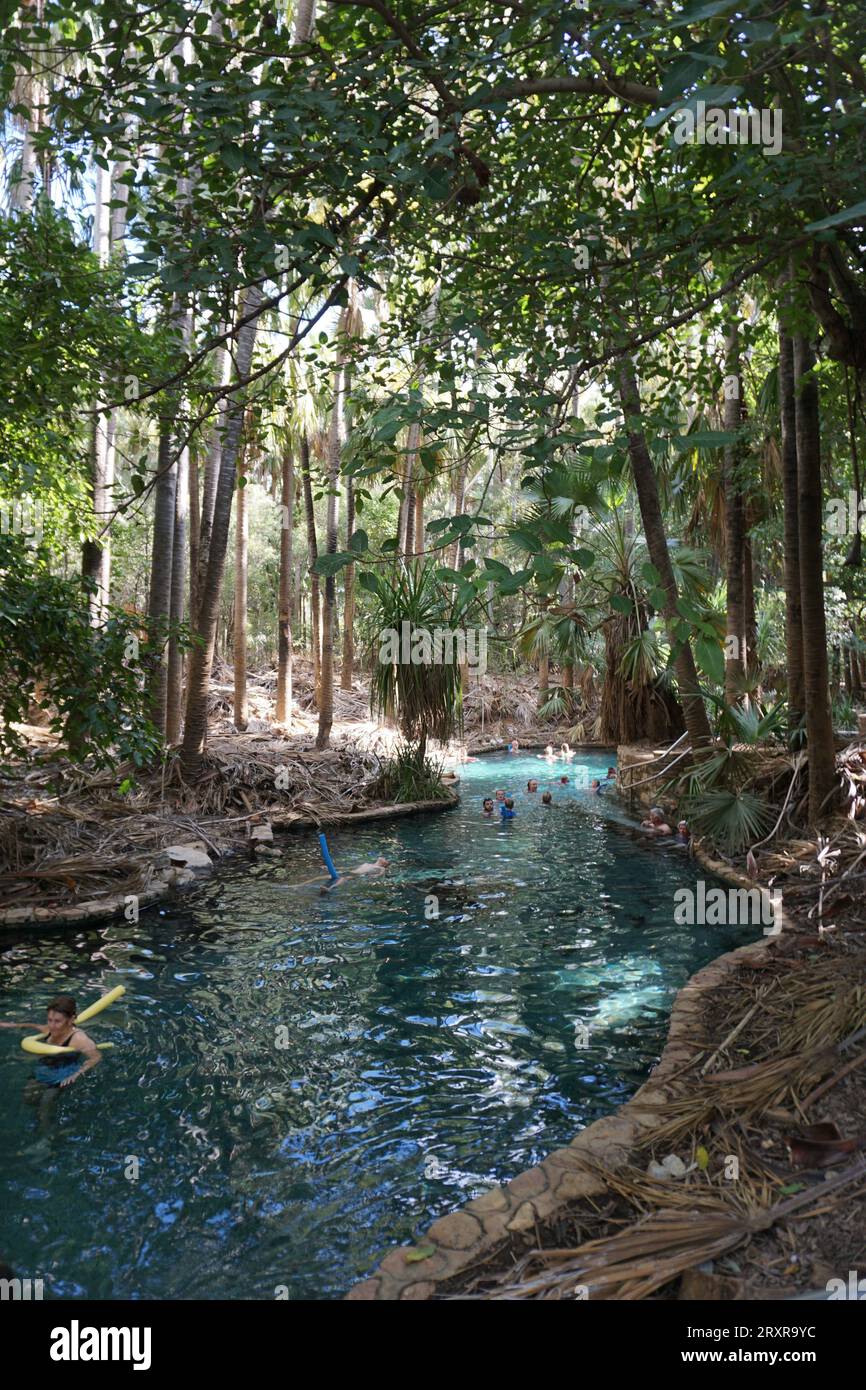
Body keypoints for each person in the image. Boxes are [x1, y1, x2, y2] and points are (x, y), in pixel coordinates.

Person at [0, 995, 102, 1091]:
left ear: (71, 1020)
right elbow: (33, 1025)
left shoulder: (79, 1039)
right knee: (29, 1097)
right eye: (49, 1020)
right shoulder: (49, 1029)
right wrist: (10, 1025)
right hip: (46, 1066)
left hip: (64, 1071)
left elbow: (96, 1057)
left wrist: (76, 1074)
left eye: (57, 1021)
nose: (52, 1025)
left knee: (46, 1103)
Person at [321, 856, 390, 893]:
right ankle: (329, 887)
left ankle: (330, 888)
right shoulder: (367, 864)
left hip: (360, 875)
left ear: (385, 864)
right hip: (353, 872)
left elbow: (381, 874)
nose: (384, 858)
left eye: (386, 859)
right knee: (343, 876)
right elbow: (348, 867)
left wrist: (375, 876)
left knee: (343, 877)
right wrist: (331, 867)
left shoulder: (381, 868)